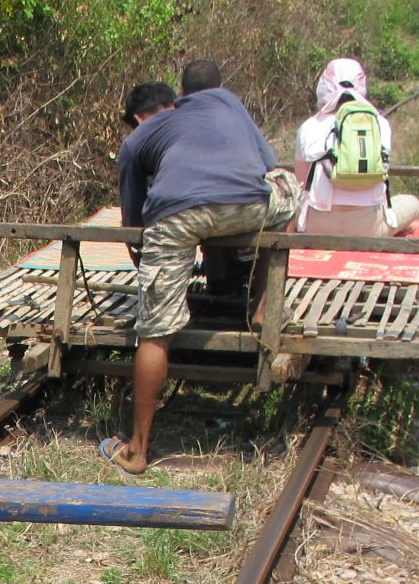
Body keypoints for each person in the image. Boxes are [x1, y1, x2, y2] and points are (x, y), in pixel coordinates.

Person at [102, 60, 299, 476]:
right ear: (221, 87)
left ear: (181, 94)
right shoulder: (232, 107)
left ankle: (137, 452)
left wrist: (148, 266)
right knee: (290, 186)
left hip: (177, 215)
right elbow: (268, 163)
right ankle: (265, 304)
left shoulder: (150, 129)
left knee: (155, 334)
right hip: (245, 206)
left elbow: (133, 217)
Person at [294, 57, 419, 236]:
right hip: (368, 228)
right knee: (411, 202)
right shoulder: (380, 124)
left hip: (316, 227)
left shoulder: (309, 125)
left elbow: (300, 182)